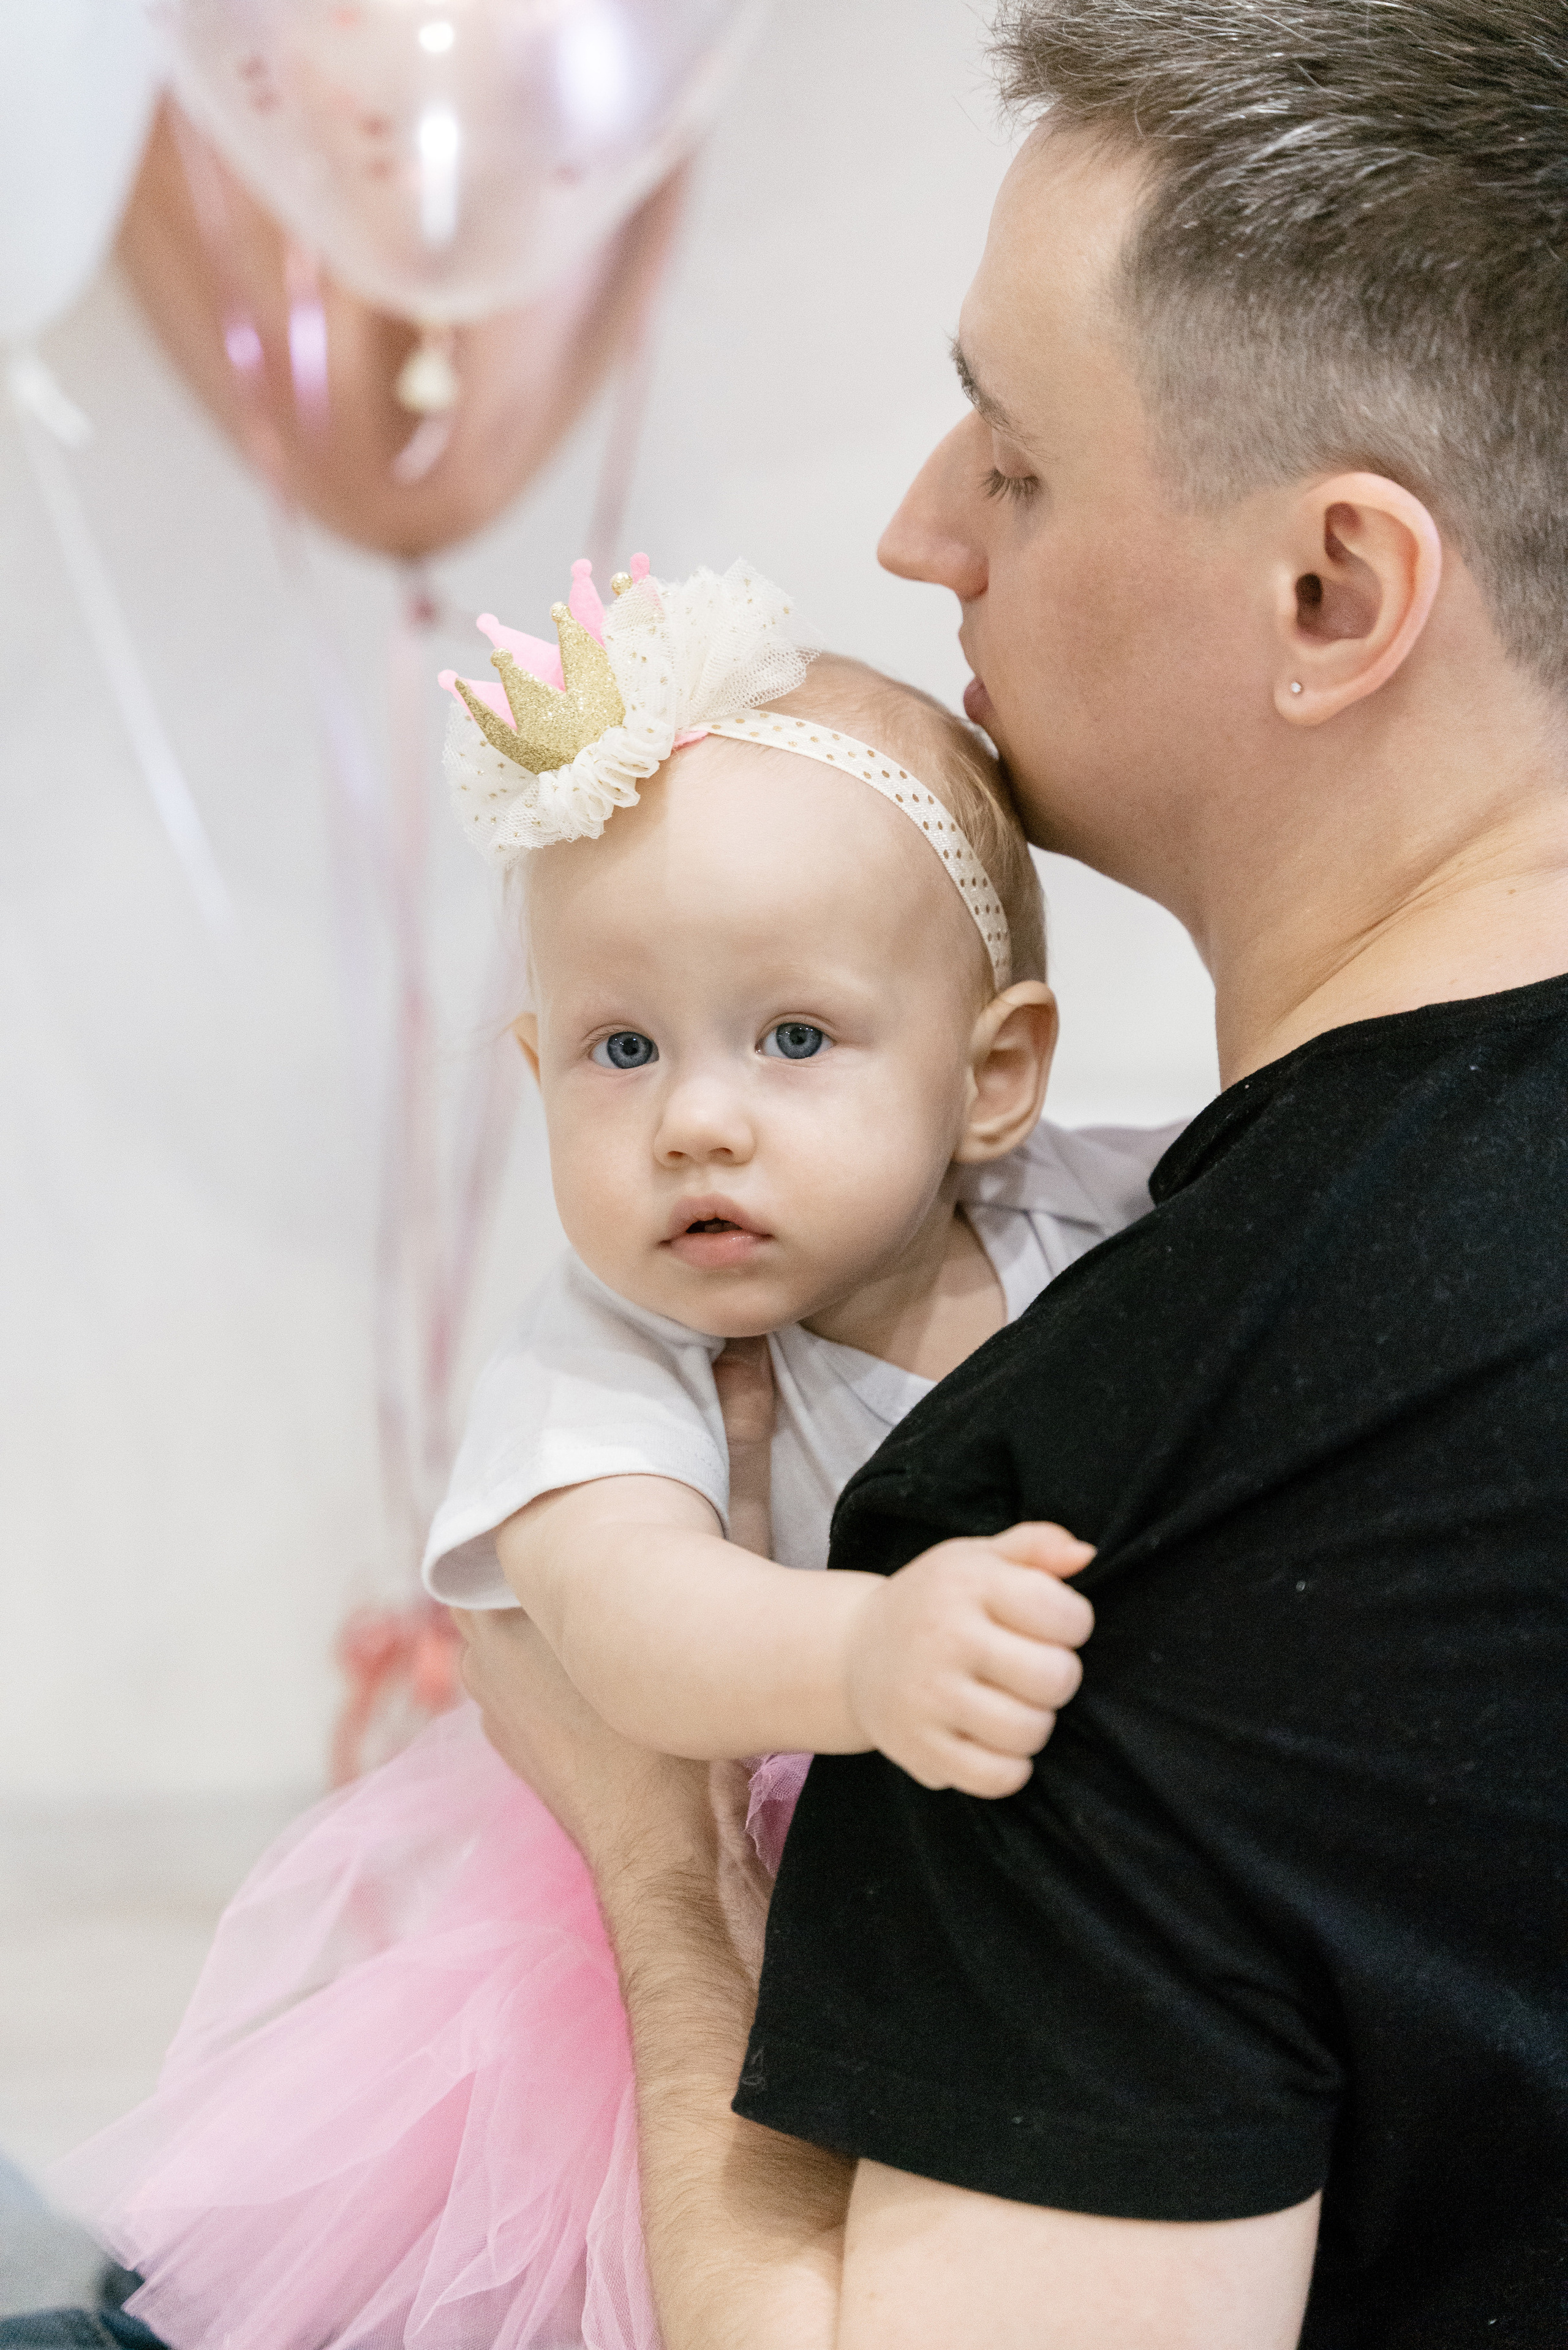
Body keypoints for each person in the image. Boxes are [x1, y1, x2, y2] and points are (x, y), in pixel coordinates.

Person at [456, 6, 1568, 2346]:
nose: (917, 530)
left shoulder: (1085, 1519)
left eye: (1018, 458)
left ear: (1334, 591)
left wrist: (661, 1873)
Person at [36, 563, 1176, 2350]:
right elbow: (628, 1623)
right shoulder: (621, 1347)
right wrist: (864, 1649)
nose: (696, 1119)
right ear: (535, 1063)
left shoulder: (1094, 1216)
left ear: (997, 1073)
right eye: (620, 1048)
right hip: (699, 1957)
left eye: (793, 1037)